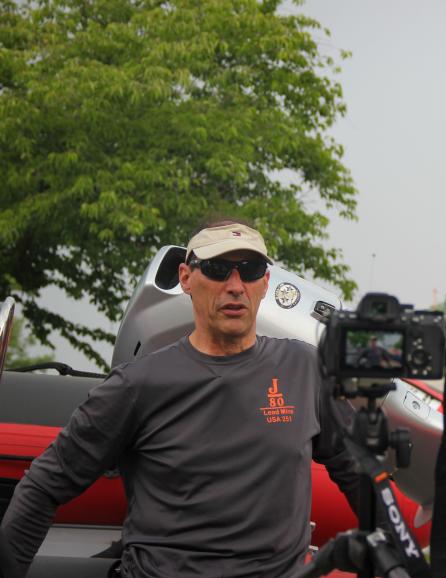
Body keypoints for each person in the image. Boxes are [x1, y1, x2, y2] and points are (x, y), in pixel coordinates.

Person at [0, 220, 360, 577]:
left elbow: (358, 471)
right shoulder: (137, 384)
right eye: (218, 269)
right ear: (187, 277)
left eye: (249, 270)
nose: (235, 286)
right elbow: (45, 485)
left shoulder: (305, 368)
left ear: (265, 283)